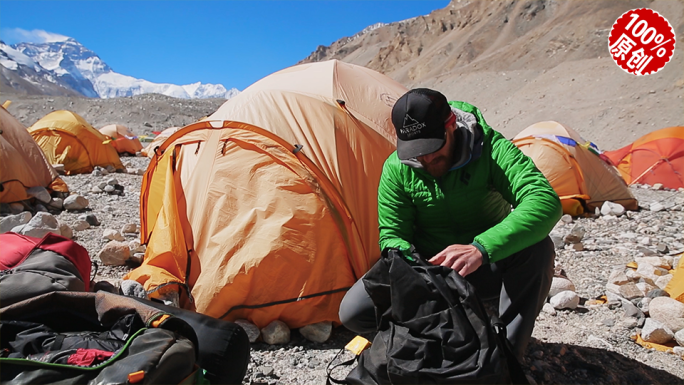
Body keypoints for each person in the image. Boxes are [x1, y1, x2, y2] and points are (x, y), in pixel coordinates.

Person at [339, 88, 562, 359]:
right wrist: (420, 270)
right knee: (353, 310)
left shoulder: (490, 149)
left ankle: (506, 355)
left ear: (451, 125)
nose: (427, 159)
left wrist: (481, 248)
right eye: (417, 152)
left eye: (433, 148)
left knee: (537, 250)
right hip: (431, 273)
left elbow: (543, 199)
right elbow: (392, 235)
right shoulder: (397, 168)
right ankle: (430, 348)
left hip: (489, 264)